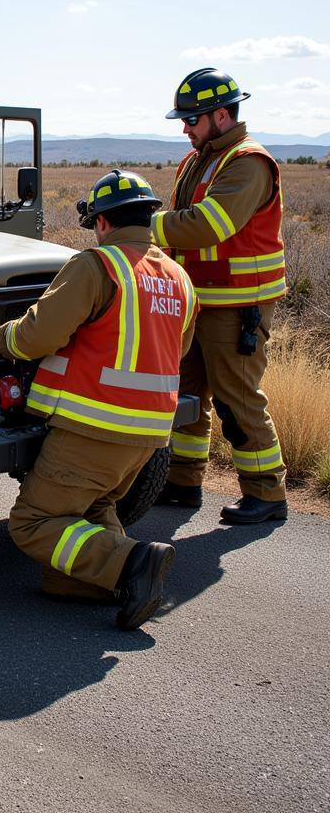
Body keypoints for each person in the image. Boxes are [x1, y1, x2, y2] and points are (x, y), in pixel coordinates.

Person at [0, 171, 197, 630]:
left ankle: (132, 563)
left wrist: (3, 338)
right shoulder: (178, 278)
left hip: (94, 427)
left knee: (31, 523)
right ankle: (114, 582)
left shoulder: (97, 265)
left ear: (103, 222)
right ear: (148, 216)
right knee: (87, 513)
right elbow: (176, 349)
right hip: (148, 436)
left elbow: (38, 336)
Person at [152, 68, 288, 524]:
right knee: (186, 392)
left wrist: (142, 225)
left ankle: (267, 493)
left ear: (223, 115)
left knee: (236, 397)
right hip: (198, 300)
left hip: (238, 303)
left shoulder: (248, 162)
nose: (185, 128)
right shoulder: (199, 158)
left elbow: (207, 225)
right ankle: (184, 481)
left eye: (192, 119)